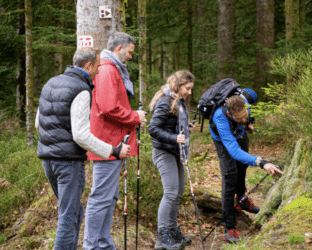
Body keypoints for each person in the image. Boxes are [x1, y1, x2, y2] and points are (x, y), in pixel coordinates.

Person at [36, 47, 131, 250]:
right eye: (97, 66)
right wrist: (112, 151)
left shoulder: (51, 83)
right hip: (68, 163)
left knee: (74, 212)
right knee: (68, 218)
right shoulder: (80, 89)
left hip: (47, 161)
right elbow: (81, 136)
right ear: (88, 65)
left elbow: (38, 123)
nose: (99, 71)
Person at [83, 32, 146, 250]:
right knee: (101, 197)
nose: (130, 57)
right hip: (106, 143)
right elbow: (108, 107)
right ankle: (92, 245)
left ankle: (103, 243)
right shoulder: (108, 70)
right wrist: (135, 117)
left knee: (109, 197)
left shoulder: (112, 69)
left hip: (114, 143)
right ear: (119, 49)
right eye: (129, 52)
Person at [209, 90, 283, 243]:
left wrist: (247, 123)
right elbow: (234, 151)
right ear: (230, 114)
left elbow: (250, 102)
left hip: (240, 132)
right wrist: (262, 162)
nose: (244, 117)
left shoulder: (244, 101)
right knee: (230, 177)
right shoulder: (220, 118)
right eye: (240, 117)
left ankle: (242, 199)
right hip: (225, 141)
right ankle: (229, 228)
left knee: (243, 166)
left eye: (245, 114)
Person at [148, 71, 196, 250]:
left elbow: (172, 124)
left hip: (176, 151)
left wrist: (185, 129)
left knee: (178, 191)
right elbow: (153, 128)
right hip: (163, 152)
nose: (189, 92)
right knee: (170, 192)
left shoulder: (178, 101)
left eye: (191, 89)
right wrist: (175, 137)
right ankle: (163, 235)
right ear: (178, 86)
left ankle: (172, 229)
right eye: (187, 88)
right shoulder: (165, 102)